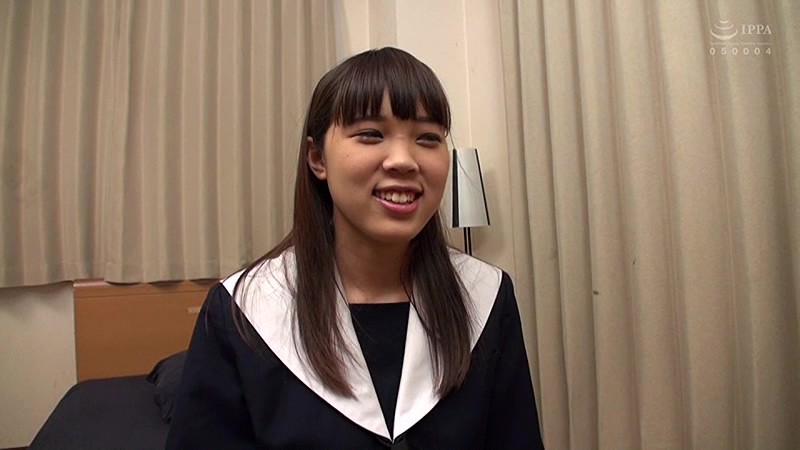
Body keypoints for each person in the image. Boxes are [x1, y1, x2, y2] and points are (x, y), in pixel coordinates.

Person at [166, 47, 544, 449]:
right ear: (317, 158)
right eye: (370, 134)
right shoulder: (244, 310)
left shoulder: (485, 296)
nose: (403, 160)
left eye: (428, 138)